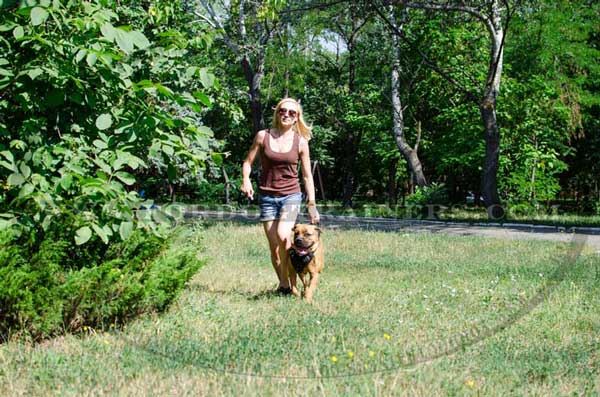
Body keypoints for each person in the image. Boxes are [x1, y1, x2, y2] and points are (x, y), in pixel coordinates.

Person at [241, 98, 320, 295]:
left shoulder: (301, 142)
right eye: (283, 111)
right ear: (277, 113)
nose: (286, 114)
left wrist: (311, 204)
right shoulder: (263, 136)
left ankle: (290, 282)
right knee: (274, 247)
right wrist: (246, 180)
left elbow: (307, 175)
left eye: (292, 113)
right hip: (267, 197)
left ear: (297, 118)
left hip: (291, 196)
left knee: (284, 235)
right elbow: (247, 162)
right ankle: (285, 285)